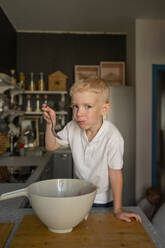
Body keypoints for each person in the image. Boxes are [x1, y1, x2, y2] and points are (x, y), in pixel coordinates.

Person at [42, 78, 141, 223]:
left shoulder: (113, 137)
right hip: (78, 196)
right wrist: (50, 124)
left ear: (104, 109)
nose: (79, 113)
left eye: (87, 106)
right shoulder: (72, 127)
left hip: (103, 201)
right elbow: (51, 146)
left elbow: (115, 173)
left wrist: (118, 209)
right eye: (75, 106)